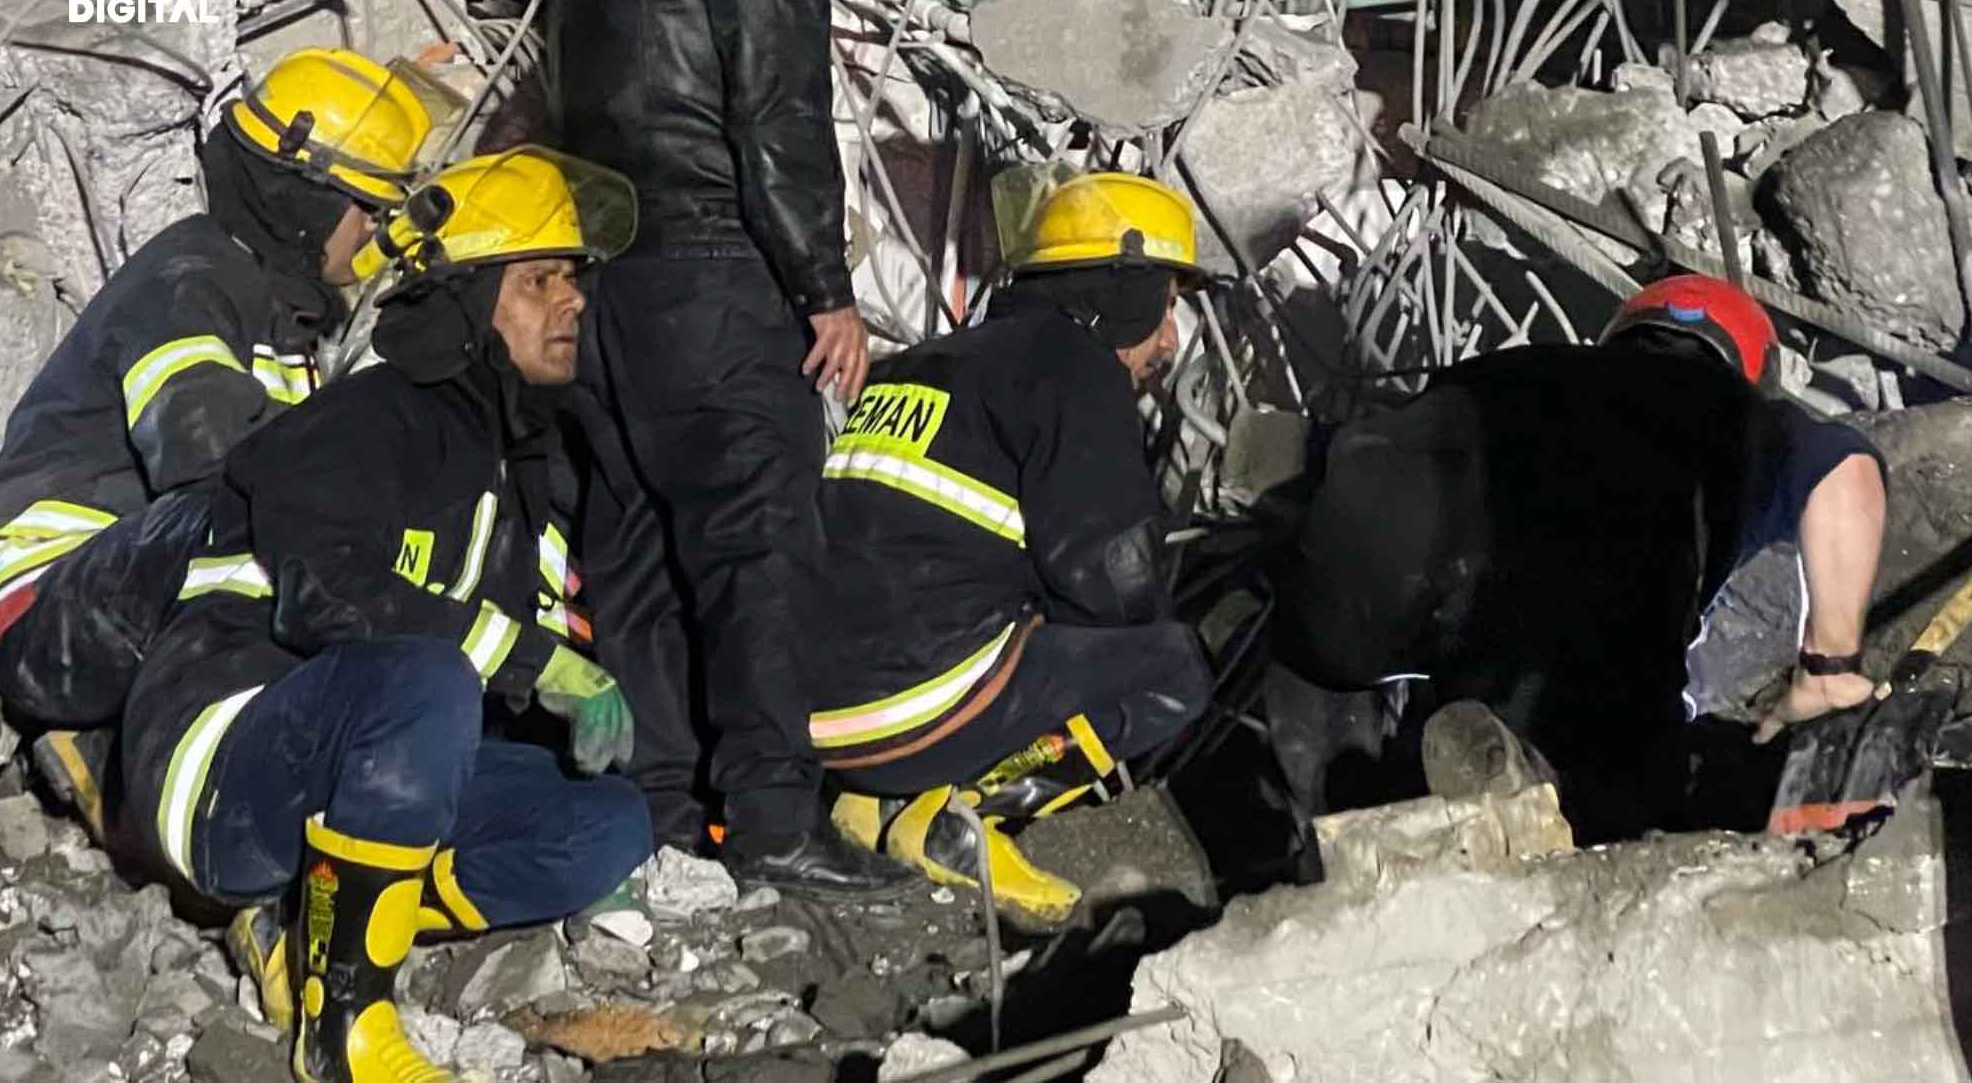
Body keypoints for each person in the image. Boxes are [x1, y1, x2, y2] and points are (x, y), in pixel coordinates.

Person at [121, 147, 652, 1083]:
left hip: (354, 765)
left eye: (573, 278)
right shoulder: (364, 420)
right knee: (428, 675)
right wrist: (533, 660)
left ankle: (317, 920)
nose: (572, 300)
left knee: (608, 822)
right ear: (467, 297)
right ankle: (343, 1026)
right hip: (221, 767)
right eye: (539, 279)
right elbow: (325, 595)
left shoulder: (507, 456)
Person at [549, 0, 911, 896]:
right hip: (718, 280)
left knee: (638, 548)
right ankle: (772, 819)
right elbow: (774, 116)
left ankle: (661, 812)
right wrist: (824, 288)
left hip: (610, 295)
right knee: (756, 544)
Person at [1273, 274, 1887, 841]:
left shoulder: (1513, 367)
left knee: (1331, 659)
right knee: (1621, 785)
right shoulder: (1733, 411)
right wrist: (1828, 668)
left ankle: (1322, 821)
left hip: (1371, 543)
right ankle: (1526, 794)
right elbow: (1844, 468)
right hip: (1562, 593)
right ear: (1752, 369)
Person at [0, 48, 433, 770]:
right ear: (302, 197)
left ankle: (134, 755)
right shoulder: (193, 276)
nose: (376, 231)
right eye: (366, 207)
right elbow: (207, 453)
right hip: (35, 602)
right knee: (275, 512)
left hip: (108, 602)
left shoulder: (285, 319)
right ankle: (145, 756)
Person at [807, 173, 1216, 923]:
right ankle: (959, 817)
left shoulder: (921, 362)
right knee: (1171, 668)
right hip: (915, 721)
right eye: (1165, 306)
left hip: (823, 724)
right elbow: (1110, 575)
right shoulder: (1075, 370)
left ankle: (871, 805)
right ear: (1120, 291)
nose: (1168, 339)